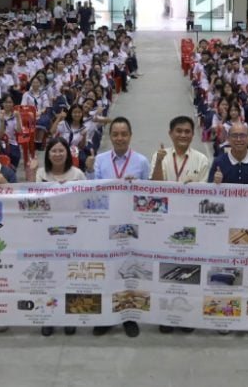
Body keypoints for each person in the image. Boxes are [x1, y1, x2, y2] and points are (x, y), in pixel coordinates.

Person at [87, 116, 149, 338]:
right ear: (110, 136)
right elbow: (93, 191)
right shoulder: (101, 160)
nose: (120, 138)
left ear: (130, 136)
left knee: (130, 272)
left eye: (124, 134)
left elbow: (148, 195)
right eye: (116, 134)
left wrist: (138, 186)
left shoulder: (141, 162)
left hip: (132, 227)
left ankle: (129, 316)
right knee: (108, 271)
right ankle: (106, 316)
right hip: (107, 224)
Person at [150, 116, 211, 185]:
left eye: (187, 132)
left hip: (190, 195)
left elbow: (204, 190)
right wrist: (158, 162)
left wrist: (193, 187)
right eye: (179, 131)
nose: (183, 135)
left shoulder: (202, 159)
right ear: (170, 133)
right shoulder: (159, 156)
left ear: (193, 134)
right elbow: (155, 186)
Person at [207, 122, 248, 186]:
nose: (238, 139)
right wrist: (214, 182)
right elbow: (208, 191)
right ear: (228, 139)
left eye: (242, 136)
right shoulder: (218, 162)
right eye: (234, 136)